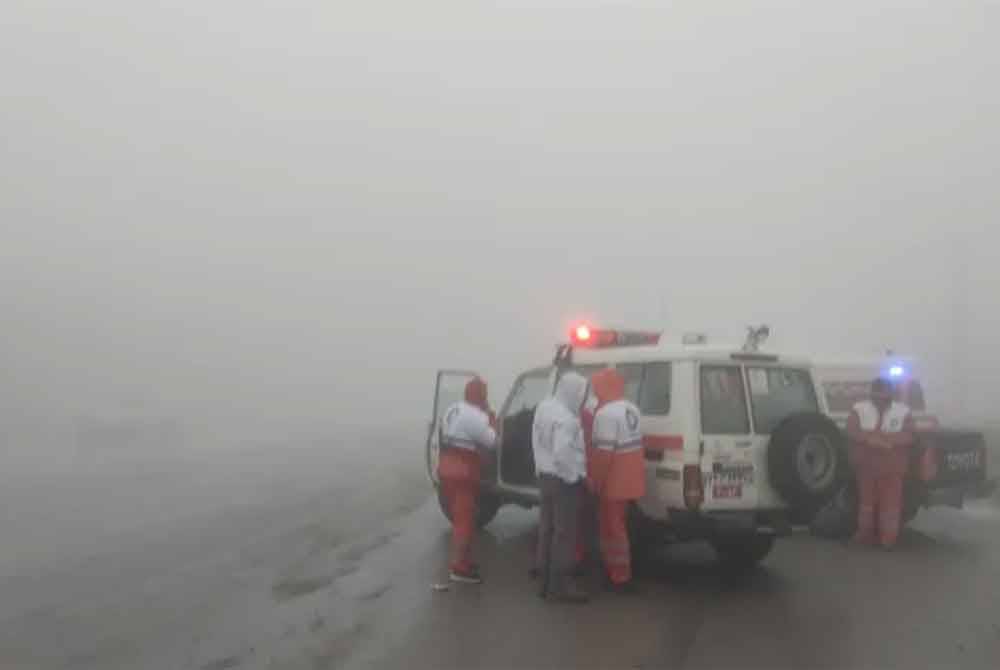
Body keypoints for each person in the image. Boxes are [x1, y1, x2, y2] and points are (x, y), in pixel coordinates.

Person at [532, 371, 589, 603]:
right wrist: (574, 476)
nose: (582, 398)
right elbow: (562, 453)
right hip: (562, 481)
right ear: (572, 392)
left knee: (546, 529)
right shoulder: (567, 419)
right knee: (564, 533)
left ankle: (543, 579)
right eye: (581, 393)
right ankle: (561, 585)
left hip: (545, 477)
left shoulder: (544, 407)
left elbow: (536, 441)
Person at [589, 368, 645, 591]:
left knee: (612, 530)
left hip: (614, 482)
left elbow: (604, 454)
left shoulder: (605, 414)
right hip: (632, 479)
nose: (594, 391)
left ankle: (619, 576)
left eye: (597, 387)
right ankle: (621, 571)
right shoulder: (631, 408)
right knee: (620, 527)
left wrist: (596, 481)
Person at [438, 377, 498, 583]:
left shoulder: (453, 408)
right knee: (465, 520)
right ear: (481, 396)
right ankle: (460, 568)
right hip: (463, 470)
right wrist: (490, 417)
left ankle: (464, 560)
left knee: (460, 515)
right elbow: (492, 442)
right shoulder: (475, 416)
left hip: (446, 467)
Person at [847, 377, 915, 549]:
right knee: (866, 505)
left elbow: (909, 435)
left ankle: (888, 540)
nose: (882, 397)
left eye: (885, 393)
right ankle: (865, 536)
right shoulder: (859, 409)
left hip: (892, 468)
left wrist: (886, 441)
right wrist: (870, 440)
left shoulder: (903, 411)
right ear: (872, 393)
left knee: (890, 507)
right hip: (866, 467)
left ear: (891, 393)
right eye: (878, 393)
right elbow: (852, 431)